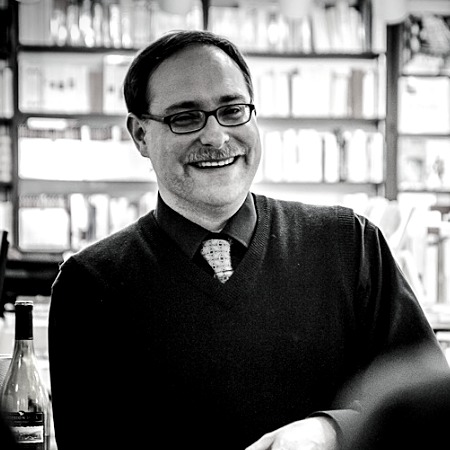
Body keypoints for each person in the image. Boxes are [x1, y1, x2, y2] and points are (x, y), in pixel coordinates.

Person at [48, 30, 449, 450]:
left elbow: (431, 415)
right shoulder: (90, 286)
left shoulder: (350, 245)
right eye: (185, 117)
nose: (216, 137)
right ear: (140, 135)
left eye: (232, 110)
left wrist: (331, 430)